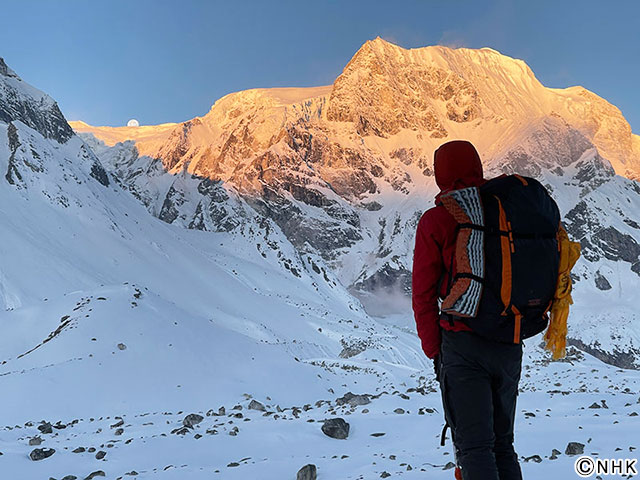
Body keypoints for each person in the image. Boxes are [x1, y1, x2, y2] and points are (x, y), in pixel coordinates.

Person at [412, 140, 523, 480]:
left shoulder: (437, 219)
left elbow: (423, 294)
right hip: (509, 343)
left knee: (475, 448)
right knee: (503, 444)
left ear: (439, 175)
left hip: (463, 346)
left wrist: (436, 350)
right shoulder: (509, 211)